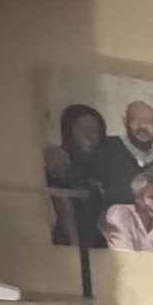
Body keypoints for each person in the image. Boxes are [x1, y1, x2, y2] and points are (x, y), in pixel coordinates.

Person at [43, 101, 111, 247]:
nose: (89, 134)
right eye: (81, 127)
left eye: (95, 130)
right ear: (68, 130)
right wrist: (75, 248)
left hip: (101, 247)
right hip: (72, 245)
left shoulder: (102, 167)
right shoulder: (61, 162)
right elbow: (63, 208)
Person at [97, 100, 153, 204]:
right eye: (135, 120)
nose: (142, 126)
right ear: (125, 122)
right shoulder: (105, 148)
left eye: (148, 121)